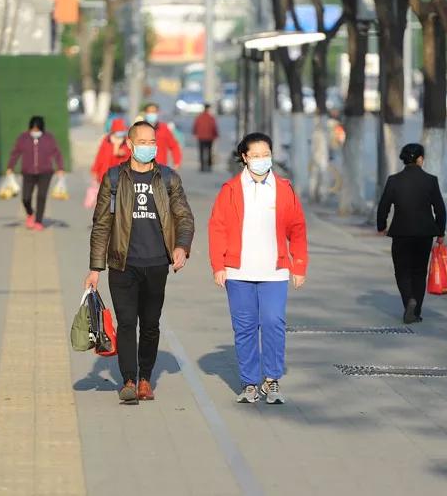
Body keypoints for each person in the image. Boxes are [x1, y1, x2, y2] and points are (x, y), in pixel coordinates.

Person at [86, 121, 195, 404]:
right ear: (131, 145)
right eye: (143, 142)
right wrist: (95, 268)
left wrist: (181, 247)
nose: (149, 146)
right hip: (122, 263)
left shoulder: (168, 178)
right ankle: (129, 380)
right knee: (125, 323)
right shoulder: (113, 178)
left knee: (150, 324)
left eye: (152, 142)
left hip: (157, 263)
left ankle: (146, 377)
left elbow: (184, 216)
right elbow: (101, 224)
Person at [208, 132, 308, 405]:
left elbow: (297, 228)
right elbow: (217, 229)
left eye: (266, 154)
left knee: (274, 323)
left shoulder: (283, 188)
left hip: (274, 271)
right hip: (238, 272)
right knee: (245, 328)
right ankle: (250, 382)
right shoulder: (230, 190)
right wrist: (219, 265)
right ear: (244, 157)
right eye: (256, 155)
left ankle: (272, 379)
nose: (262, 160)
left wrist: (298, 264)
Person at [376, 143, 446, 324]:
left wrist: (381, 226)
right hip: (424, 234)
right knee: (419, 271)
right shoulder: (431, 180)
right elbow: (440, 208)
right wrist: (441, 231)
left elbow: (383, 206)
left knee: (402, 271)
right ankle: (415, 311)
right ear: (420, 159)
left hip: (401, 233)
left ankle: (409, 302)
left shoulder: (394, 180)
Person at [6, 116, 64, 231]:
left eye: (37, 129)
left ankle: (38, 221)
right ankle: (30, 213)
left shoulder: (49, 138)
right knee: (25, 198)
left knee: (41, 196)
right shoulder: (23, 138)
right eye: (33, 129)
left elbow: (57, 153)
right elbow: (15, 152)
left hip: (45, 172)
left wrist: (60, 168)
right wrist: (10, 167)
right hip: (28, 172)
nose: (35, 132)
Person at [141, 103, 182, 170]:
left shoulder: (164, 129)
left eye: (154, 112)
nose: (151, 114)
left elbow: (174, 146)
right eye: (149, 112)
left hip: (160, 168)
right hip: (142, 168)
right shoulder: (138, 129)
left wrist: (177, 162)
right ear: (146, 113)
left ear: (157, 113)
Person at [91, 117, 131, 183]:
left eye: (122, 131)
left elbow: (120, 153)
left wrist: (117, 144)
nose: (121, 133)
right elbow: (100, 156)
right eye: (119, 130)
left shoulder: (126, 142)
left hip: (121, 177)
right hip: (105, 175)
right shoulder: (106, 140)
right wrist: (95, 170)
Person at [193, 103, 219, 172]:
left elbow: (195, 126)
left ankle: (202, 166)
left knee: (201, 151)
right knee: (209, 151)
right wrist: (216, 135)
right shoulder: (211, 118)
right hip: (209, 137)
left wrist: (195, 133)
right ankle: (209, 166)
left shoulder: (199, 117)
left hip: (201, 137)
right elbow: (214, 127)